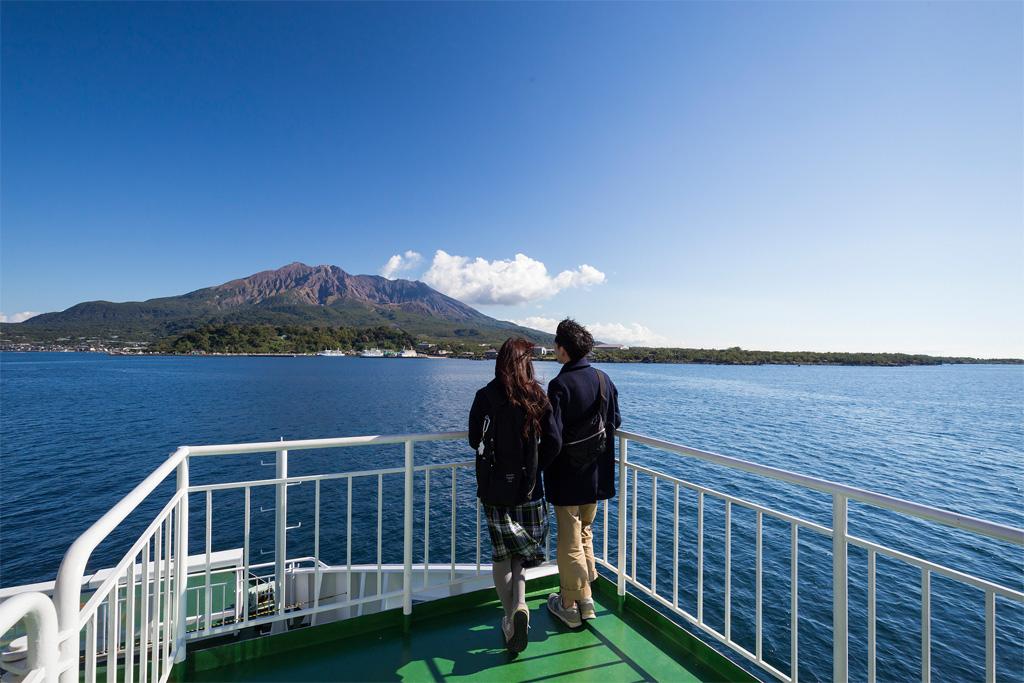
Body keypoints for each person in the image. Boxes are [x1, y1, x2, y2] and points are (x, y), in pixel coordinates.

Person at [469, 337, 560, 653]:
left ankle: (510, 616)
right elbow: (555, 441)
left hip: (495, 490)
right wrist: (536, 470)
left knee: (501, 555)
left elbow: (472, 439)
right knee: (521, 554)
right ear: (527, 363)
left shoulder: (485, 396)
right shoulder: (537, 395)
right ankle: (520, 604)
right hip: (530, 490)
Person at [543, 319, 621, 628]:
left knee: (569, 540)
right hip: (596, 474)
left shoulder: (559, 385)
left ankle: (569, 605)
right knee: (585, 532)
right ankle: (586, 600)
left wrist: (538, 466)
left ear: (563, 350)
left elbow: (553, 436)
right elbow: (614, 421)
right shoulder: (603, 379)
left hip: (567, 476)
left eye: (556, 346)